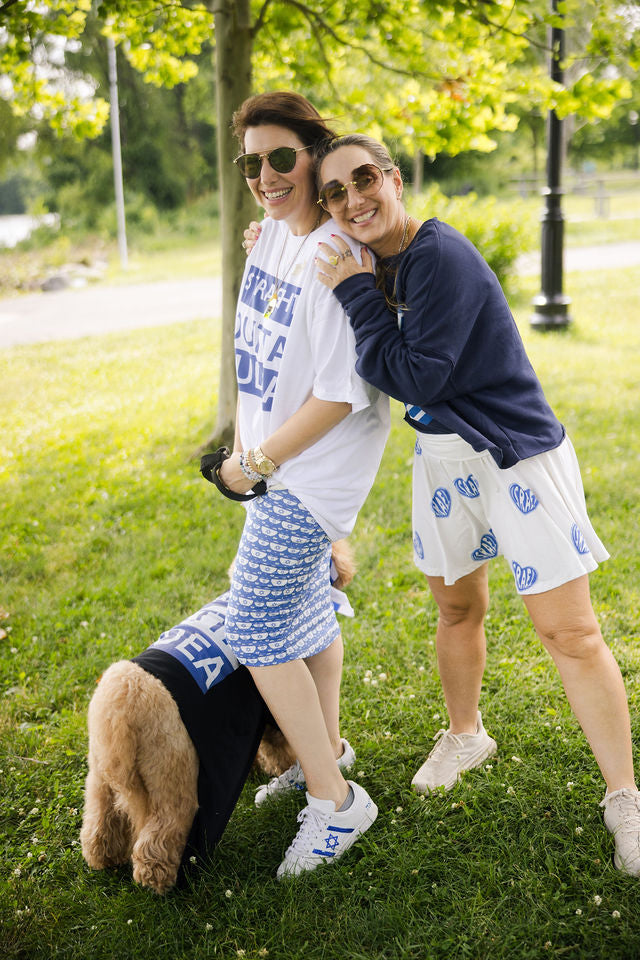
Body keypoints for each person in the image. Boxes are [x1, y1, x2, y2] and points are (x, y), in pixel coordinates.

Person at [306, 132, 639, 877]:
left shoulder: (437, 256)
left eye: (366, 179)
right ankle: (467, 734)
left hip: (514, 454)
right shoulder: (368, 252)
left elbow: (418, 376)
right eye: (336, 191)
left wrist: (357, 295)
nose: (354, 198)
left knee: (570, 633)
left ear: (394, 178)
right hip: (445, 460)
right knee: (457, 609)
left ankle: (626, 797)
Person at [217, 98, 389, 879]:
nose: (264, 176)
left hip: (308, 478)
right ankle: (328, 745)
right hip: (281, 468)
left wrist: (257, 465)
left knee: (254, 622)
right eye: (251, 163)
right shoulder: (275, 243)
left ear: (315, 159)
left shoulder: (328, 254)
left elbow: (338, 394)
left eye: (280, 158)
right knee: (308, 614)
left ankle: (335, 799)